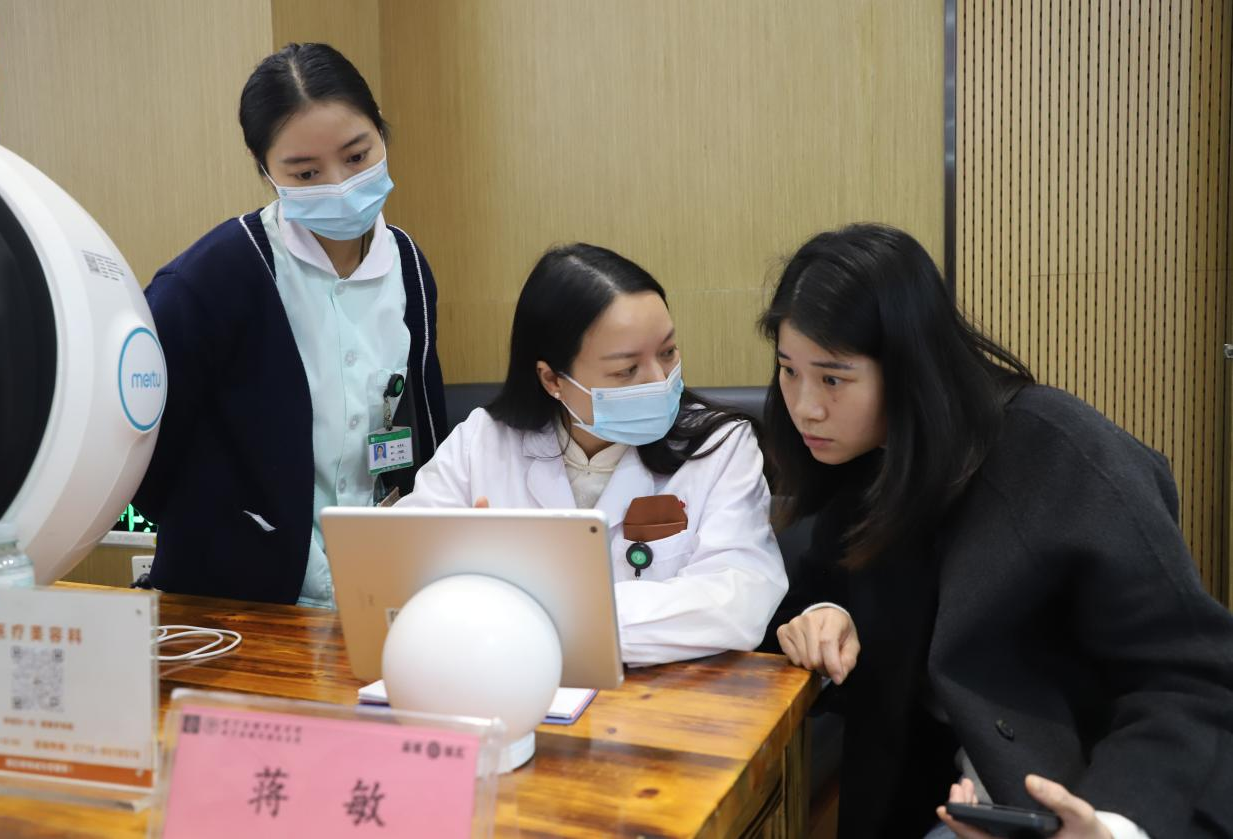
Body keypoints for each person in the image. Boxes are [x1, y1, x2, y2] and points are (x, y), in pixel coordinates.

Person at [759, 224, 1233, 838]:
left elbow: (1192, 677)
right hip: (937, 804)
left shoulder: (1059, 451)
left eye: (832, 378)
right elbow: (815, 585)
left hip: (1082, 802)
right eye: (787, 370)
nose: (804, 406)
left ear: (910, 367)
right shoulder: (862, 460)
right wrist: (825, 615)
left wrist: (1114, 823)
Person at [135, 43, 447, 605]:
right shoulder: (212, 279)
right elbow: (145, 455)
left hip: (377, 584)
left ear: (381, 131)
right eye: (306, 172)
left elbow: (423, 425)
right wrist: (229, 526)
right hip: (239, 601)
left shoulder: (407, 266)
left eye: (357, 156)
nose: (340, 184)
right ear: (265, 170)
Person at [396, 243, 787, 665]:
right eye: (626, 370)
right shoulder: (483, 441)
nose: (659, 380)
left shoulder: (721, 445)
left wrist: (537, 614)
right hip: (506, 679)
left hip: (662, 692)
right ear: (552, 379)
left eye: (667, 352)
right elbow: (399, 567)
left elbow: (737, 599)